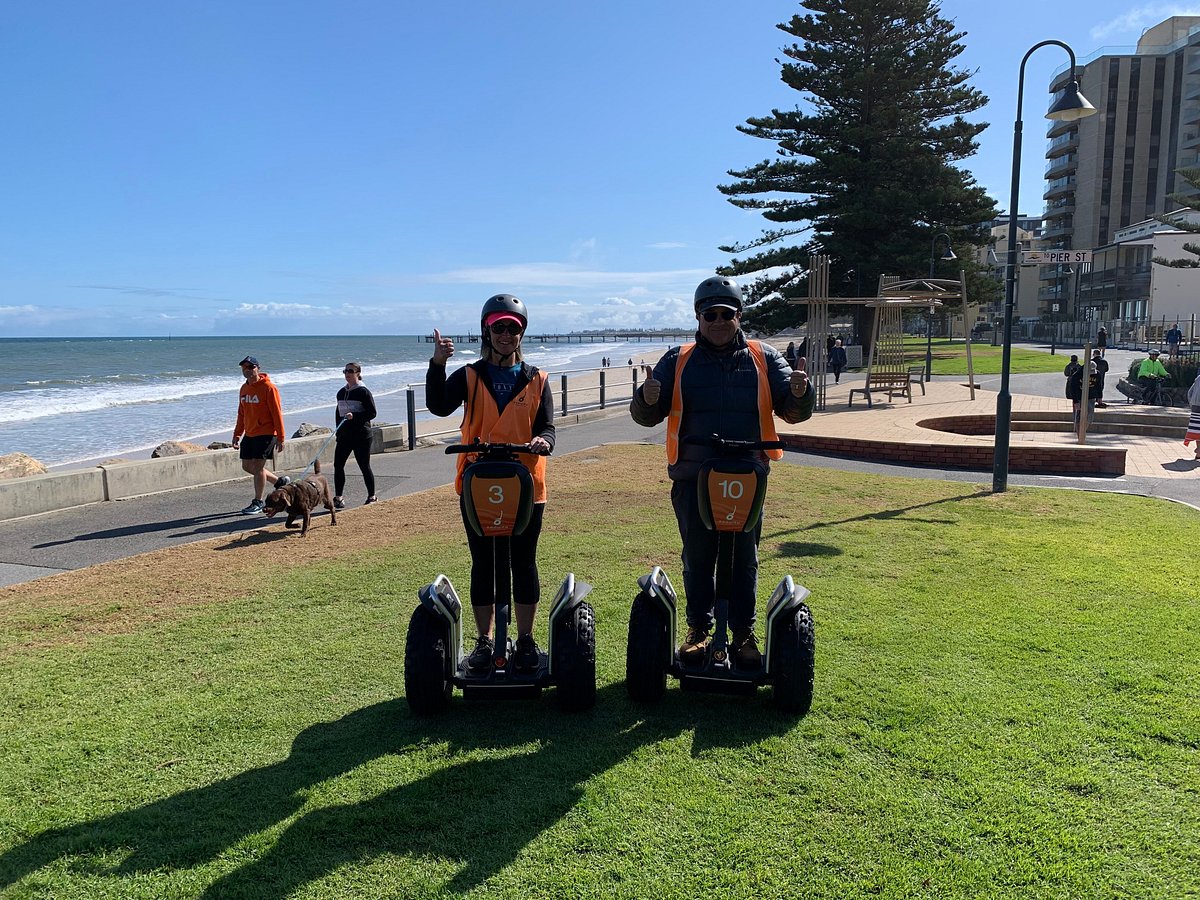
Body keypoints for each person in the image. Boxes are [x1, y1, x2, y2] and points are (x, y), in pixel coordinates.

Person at [630, 276, 814, 669]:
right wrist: (644, 400)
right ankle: (699, 629)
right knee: (698, 557)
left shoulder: (763, 357)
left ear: (738, 315)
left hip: (747, 477)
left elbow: (792, 411)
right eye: (709, 314)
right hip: (693, 478)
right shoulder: (677, 360)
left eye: (725, 314)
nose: (717, 321)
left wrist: (799, 395)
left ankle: (743, 632)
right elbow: (648, 414)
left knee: (744, 558)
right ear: (698, 317)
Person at [426, 294, 555, 673]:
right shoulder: (471, 375)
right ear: (486, 329)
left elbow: (547, 426)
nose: (505, 334)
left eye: (513, 328)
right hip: (478, 482)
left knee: (522, 562)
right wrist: (438, 363)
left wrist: (544, 441)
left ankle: (527, 639)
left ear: (522, 333)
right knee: (483, 563)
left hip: (527, 483)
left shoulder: (537, 378)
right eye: (498, 326)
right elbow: (437, 405)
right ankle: (485, 640)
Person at [232, 355, 286, 515]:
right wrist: (237, 434)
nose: (247, 370)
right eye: (244, 368)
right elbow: (241, 413)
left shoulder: (269, 388)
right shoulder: (244, 388)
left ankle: (258, 502)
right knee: (247, 466)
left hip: (267, 433)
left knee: (258, 467)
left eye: (250, 367)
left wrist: (281, 437)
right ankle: (279, 482)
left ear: (258, 368)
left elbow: (277, 414)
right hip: (250, 433)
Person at [332, 362, 378, 508]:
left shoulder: (363, 391)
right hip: (345, 436)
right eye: (345, 371)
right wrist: (338, 432)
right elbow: (338, 413)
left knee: (364, 466)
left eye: (350, 371)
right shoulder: (341, 392)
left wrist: (355, 416)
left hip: (362, 436)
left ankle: (372, 496)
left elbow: (372, 413)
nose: (347, 374)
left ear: (358, 373)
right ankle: (338, 497)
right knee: (338, 465)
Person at [1067, 360, 1100, 430]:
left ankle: (1083, 432)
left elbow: (1098, 385)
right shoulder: (1077, 375)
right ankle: (1079, 435)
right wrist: (1076, 402)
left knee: (1089, 417)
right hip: (1079, 397)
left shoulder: (1097, 374)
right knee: (1078, 417)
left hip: (1091, 397)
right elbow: (1073, 389)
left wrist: (1099, 396)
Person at [1184, 371, 1200, 460]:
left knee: (1196, 429)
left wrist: (1191, 403)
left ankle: (1199, 452)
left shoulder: (1198, 378)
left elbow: (1190, 392)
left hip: (1195, 407)